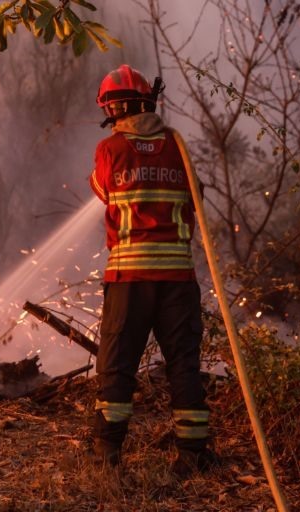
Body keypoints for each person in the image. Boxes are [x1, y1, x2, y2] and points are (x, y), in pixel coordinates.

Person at [88, 64, 216, 476]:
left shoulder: (110, 149)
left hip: (129, 279)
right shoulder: (177, 146)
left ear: (112, 109)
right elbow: (196, 196)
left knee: (117, 365)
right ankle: (193, 455)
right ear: (149, 100)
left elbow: (102, 189)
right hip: (178, 278)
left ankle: (107, 454)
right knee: (183, 364)